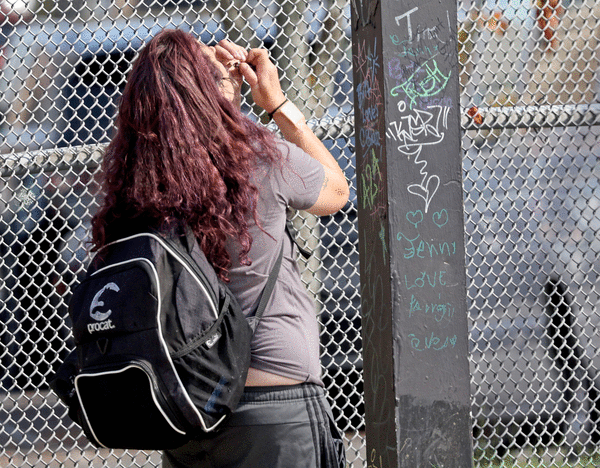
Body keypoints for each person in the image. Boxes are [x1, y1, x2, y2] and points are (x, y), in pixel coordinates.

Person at [89, 29, 350, 468]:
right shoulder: (261, 157)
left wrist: (222, 91)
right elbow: (337, 192)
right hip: (273, 398)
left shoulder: (136, 181)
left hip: (190, 401)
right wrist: (275, 103)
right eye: (212, 62)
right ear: (209, 90)